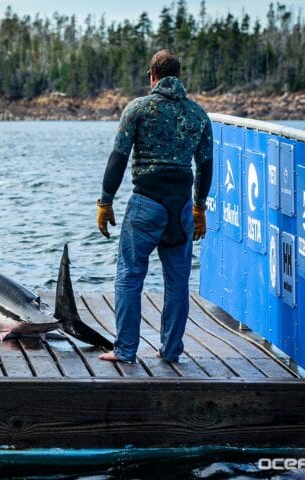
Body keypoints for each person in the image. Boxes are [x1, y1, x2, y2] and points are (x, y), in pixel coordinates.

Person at [96, 49, 213, 364]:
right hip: (182, 208)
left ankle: (124, 350)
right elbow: (206, 165)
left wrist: (105, 201)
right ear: (179, 76)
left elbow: (118, 158)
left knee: (130, 275)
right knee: (177, 281)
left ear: (152, 76)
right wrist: (199, 208)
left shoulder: (138, 109)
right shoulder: (198, 114)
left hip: (147, 203)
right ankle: (172, 350)